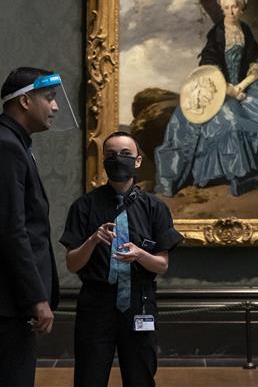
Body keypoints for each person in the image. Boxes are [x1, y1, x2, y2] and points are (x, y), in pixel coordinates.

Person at [0, 67, 77, 387]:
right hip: (7, 301)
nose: (56, 106)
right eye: (49, 98)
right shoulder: (5, 146)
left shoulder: (11, 141)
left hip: (9, 300)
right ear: (25, 101)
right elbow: (12, 231)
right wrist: (36, 298)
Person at [155, 0, 258, 197]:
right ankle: (237, 172)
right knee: (231, 122)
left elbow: (257, 61)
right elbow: (209, 63)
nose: (231, 11)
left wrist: (242, 86)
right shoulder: (217, 32)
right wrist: (227, 88)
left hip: (245, 85)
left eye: (234, 7)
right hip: (220, 88)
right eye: (226, 8)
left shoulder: (245, 31)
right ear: (222, 10)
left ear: (241, 9)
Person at [61, 131, 183, 387]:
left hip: (139, 303)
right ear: (104, 161)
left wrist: (139, 254)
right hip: (96, 306)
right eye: (111, 155)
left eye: (126, 154)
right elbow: (72, 264)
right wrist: (93, 240)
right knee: (89, 378)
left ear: (137, 161)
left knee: (140, 378)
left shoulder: (155, 208)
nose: (118, 159)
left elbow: (162, 265)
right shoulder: (84, 206)